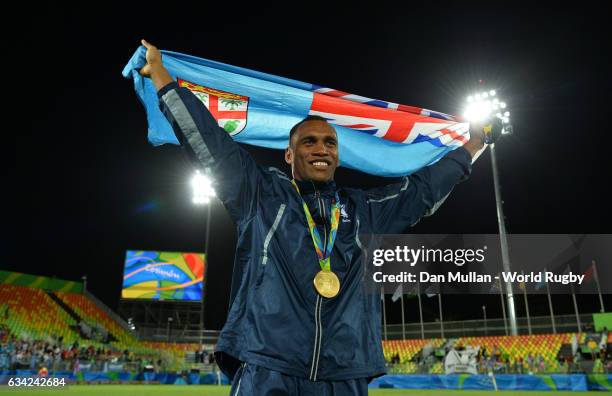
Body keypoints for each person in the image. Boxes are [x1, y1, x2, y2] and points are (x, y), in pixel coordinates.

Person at [138, 39, 488, 395]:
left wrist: (473, 147)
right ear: (289, 155)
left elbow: (422, 190)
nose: (321, 148)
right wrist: (164, 79)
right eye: (309, 142)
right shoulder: (260, 195)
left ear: (338, 156)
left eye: (330, 143)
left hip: (345, 372)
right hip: (269, 366)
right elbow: (210, 142)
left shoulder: (363, 211)